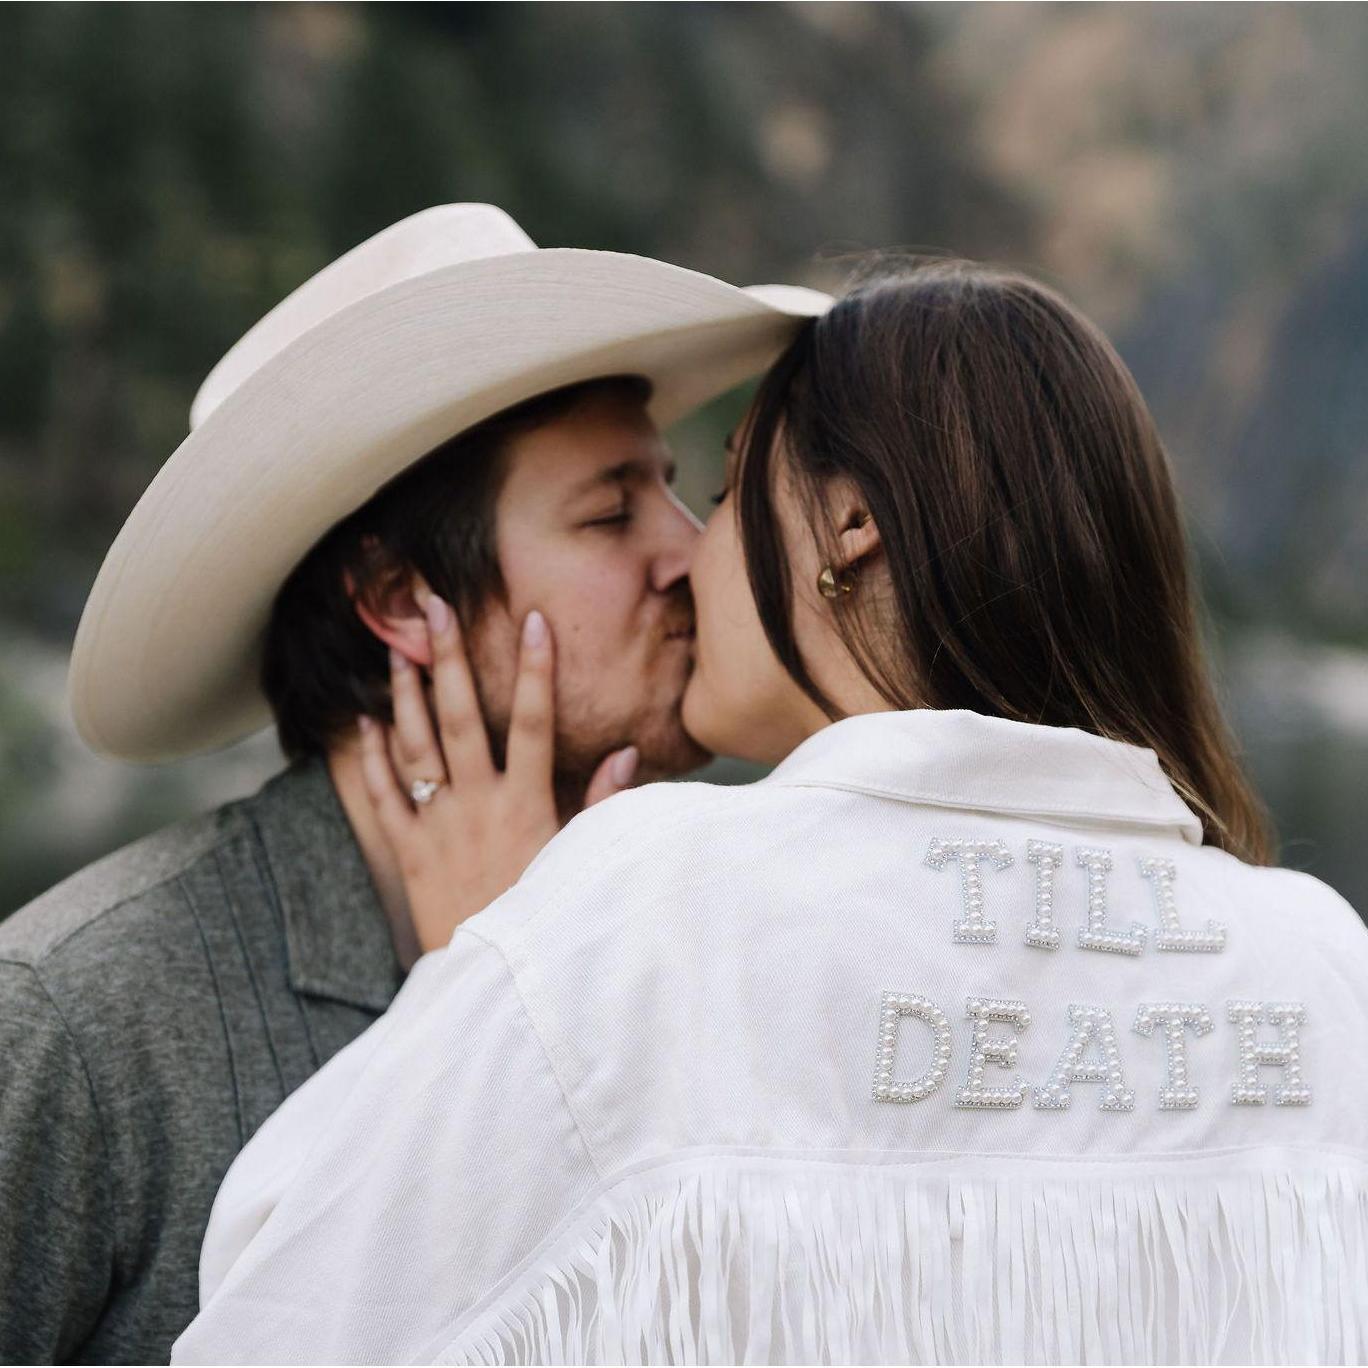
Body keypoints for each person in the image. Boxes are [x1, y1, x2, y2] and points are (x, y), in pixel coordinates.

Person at [176, 257, 1368, 1365]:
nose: (693, 559)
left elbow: (275, 1304)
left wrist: (481, 974)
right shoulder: (1327, 961)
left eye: (733, 482)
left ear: (851, 523)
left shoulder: (641, 913)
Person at [0, 202, 827, 1363]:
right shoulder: (84, 1027)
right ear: (399, 604)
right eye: (610, 512)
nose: (689, 553)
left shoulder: (690, 949)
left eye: (673, 489)